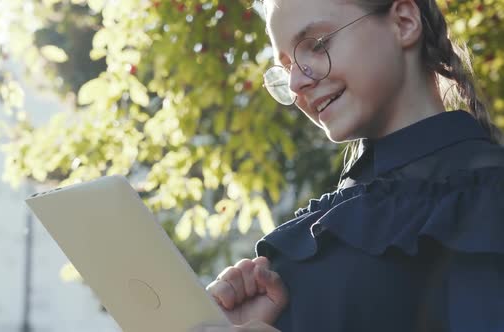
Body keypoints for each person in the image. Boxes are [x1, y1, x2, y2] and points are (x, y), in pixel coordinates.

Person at [194, 0, 504, 331]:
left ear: (403, 22)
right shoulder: (289, 257)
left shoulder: (487, 201)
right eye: (286, 69)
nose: (297, 82)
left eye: (316, 45)